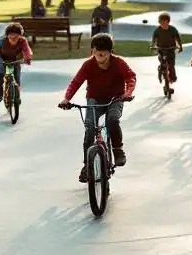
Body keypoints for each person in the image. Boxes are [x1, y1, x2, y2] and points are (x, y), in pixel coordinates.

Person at [58, 33, 136, 181]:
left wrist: (127, 92)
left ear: (110, 52)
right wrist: (66, 99)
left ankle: (118, 150)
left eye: (103, 55)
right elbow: (76, 82)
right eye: (97, 54)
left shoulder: (118, 63)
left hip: (115, 99)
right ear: (92, 51)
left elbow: (130, 77)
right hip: (94, 98)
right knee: (89, 128)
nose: (100, 59)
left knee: (112, 120)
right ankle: (87, 165)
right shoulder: (88, 64)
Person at [0, 23, 34, 102]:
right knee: (0, 74)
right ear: (7, 35)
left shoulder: (23, 41)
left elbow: (27, 51)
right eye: (11, 36)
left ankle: (17, 94)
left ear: (20, 35)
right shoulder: (1, 41)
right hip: (1, 58)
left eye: (16, 37)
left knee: (17, 76)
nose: (13, 39)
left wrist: (28, 58)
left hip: (15, 59)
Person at [150, 13, 183, 90]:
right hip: (161, 49)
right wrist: (152, 46)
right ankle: (161, 68)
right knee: (162, 61)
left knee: (171, 64)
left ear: (168, 22)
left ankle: (173, 77)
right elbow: (154, 40)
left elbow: (177, 38)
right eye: (161, 23)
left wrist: (180, 46)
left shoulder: (172, 29)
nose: (163, 24)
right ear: (159, 22)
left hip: (170, 49)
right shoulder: (157, 30)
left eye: (165, 22)